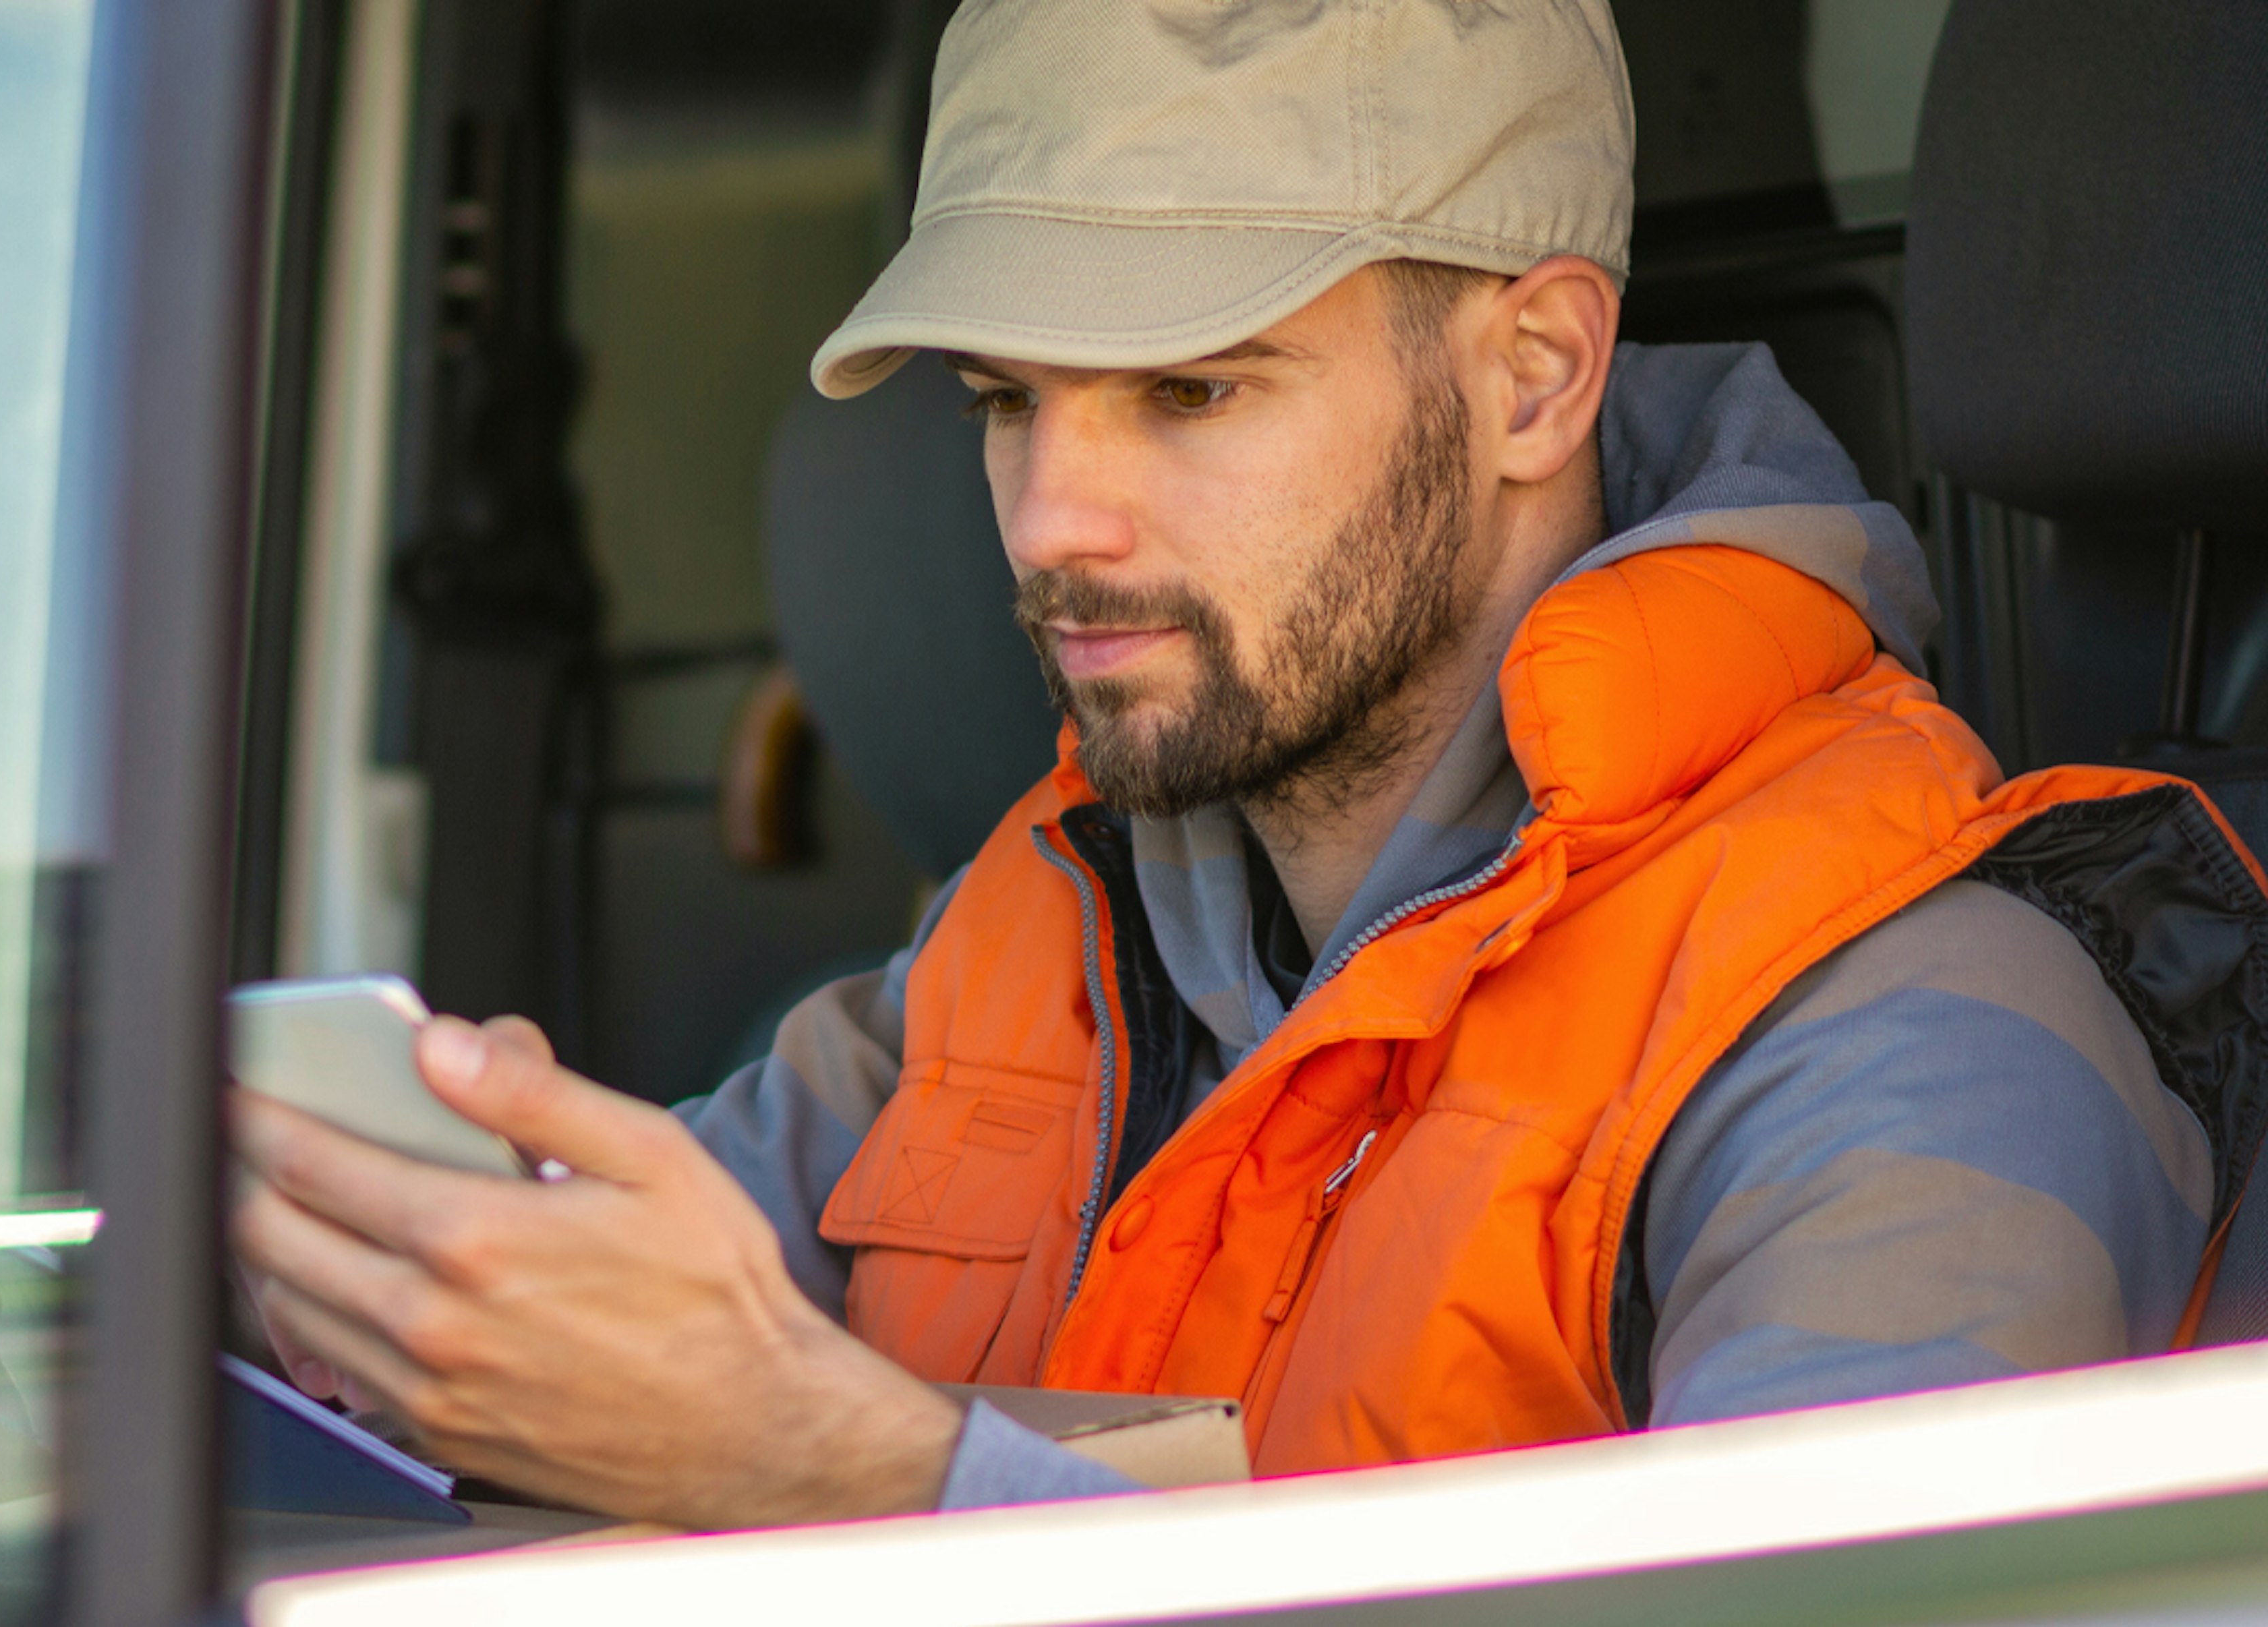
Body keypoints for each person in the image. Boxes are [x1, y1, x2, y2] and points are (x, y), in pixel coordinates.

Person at [231, 0, 2252, 1531]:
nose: (1050, 522)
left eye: (1193, 386)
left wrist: (851, 1478)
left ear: (1534, 373)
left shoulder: (1908, 1032)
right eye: (1007, 401)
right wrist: (378, 1295)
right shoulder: (1038, 933)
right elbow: (619, 1325)